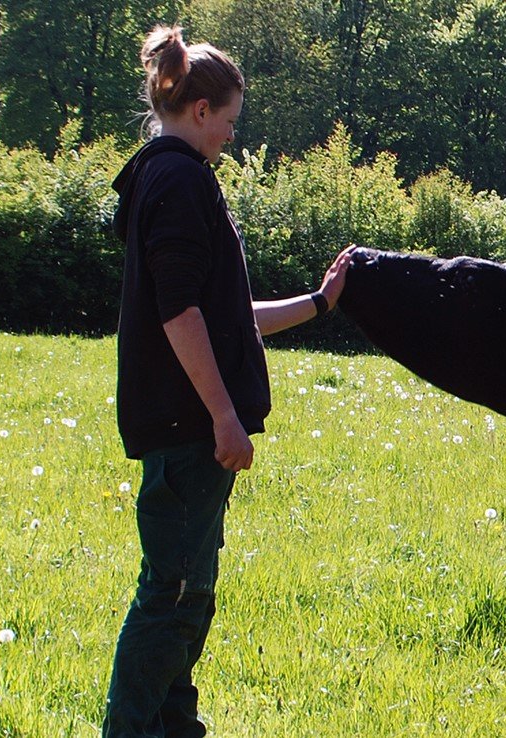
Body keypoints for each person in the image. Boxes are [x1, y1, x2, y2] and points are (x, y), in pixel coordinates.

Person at [102, 25, 350, 737]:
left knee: (189, 592)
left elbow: (222, 317)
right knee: (172, 593)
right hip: (187, 427)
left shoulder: (166, 176)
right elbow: (178, 313)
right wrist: (221, 414)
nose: (231, 137)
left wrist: (317, 304)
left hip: (187, 427)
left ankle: (174, 728)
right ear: (201, 110)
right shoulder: (178, 180)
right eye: (230, 122)